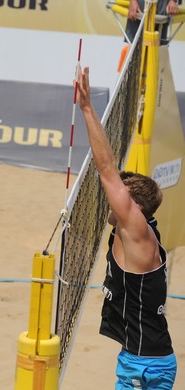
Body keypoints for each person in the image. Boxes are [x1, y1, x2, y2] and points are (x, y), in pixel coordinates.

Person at [76, 67, 177, 389]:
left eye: (117, 199)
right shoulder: (141, 231)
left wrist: (88, 109)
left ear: (134, 208)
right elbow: (111, 174)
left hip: (144, 365)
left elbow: (106, 169)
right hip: (144, 359)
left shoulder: (137, 232)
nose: (110, 201)